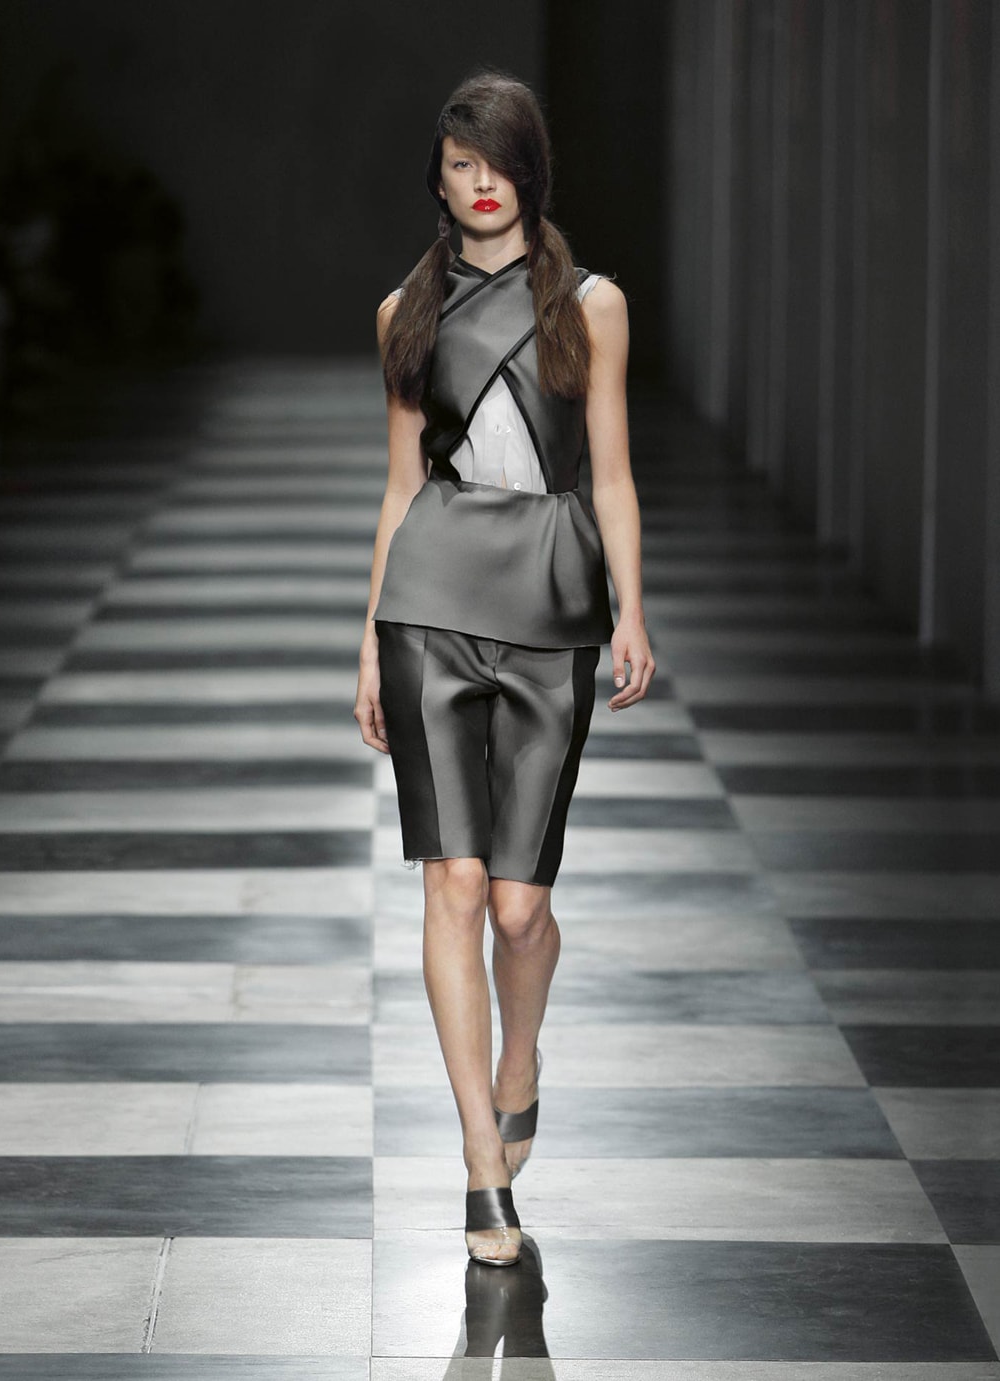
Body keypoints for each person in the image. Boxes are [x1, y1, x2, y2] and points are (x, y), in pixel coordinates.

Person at [354, 69, 655, 1267]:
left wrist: (632, 609)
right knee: (456, 885)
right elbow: (398, 488)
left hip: (550, 594)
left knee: (521, 907)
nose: (481, 184)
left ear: (531, 171)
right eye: (459, 165)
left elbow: (612, 473)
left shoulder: (591, 305)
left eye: (498, 163)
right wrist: (367, 639)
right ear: (437, 180)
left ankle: (520, 1061)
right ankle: (482, 1159)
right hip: (429, 599)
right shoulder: (404, 312)